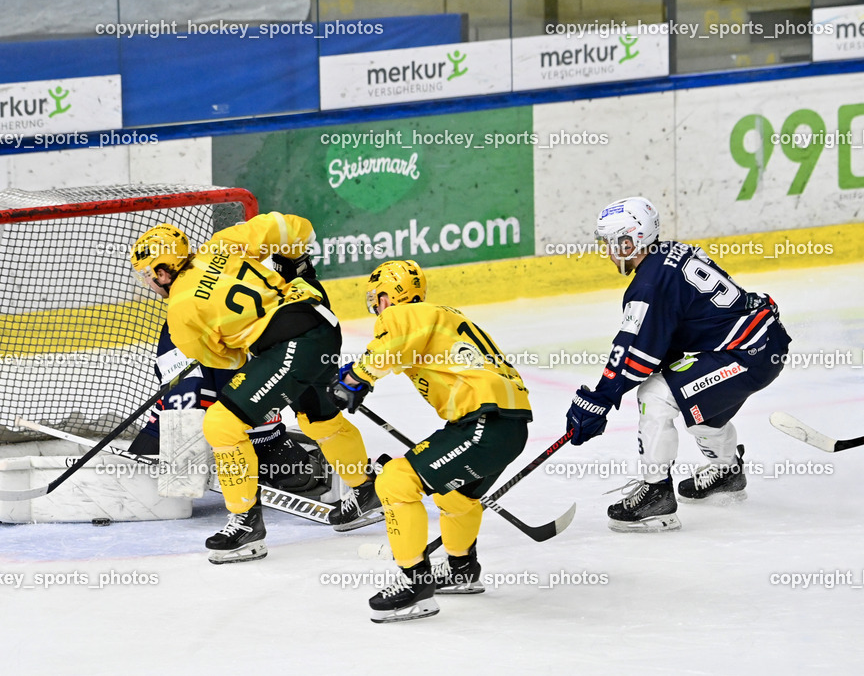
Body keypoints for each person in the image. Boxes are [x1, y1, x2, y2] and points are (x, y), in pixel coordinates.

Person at [129, 212, 381, 564]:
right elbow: (295, 228)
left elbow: (226, 362)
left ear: (162, 270)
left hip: (293, 344)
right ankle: (366, 491)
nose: (148, 284)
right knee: (318, 420)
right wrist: (297, 262)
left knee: (222, 423)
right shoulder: (220, 245)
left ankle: (245, 525)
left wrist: (253, 348)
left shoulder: (181, 311)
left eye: (147, 275)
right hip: (320, 319)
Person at [565, 197, 791, 532]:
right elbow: (676, 328)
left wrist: (599, 400)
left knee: (655, 396)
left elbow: (632, 354)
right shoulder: (669, 253)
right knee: (696, 406)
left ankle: (656, 493)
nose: (609, 252)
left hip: (746, 352)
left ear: (629, 242)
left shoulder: (649, 285)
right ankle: (726, 472)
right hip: (759, 342)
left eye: (611, 244)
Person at [329, 259, 533, 623]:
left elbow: (391, 343)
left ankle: (415, 586)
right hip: (508, 424)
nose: (376, 306)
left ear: (391, 295)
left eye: (378, 298)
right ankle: (460, 569)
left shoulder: (403, 315)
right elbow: (400, 353)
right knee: (454, 495)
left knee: (395, 481)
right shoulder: (440, 317)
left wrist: (354, 380)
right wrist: (354, 377)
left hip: (482, 423)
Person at [128, 321, 332, 498]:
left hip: (252, 428)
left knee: (299, 477)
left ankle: (263, 445)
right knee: (139, 478)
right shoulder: (184, 315)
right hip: (177, 425)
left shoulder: (246, 316)